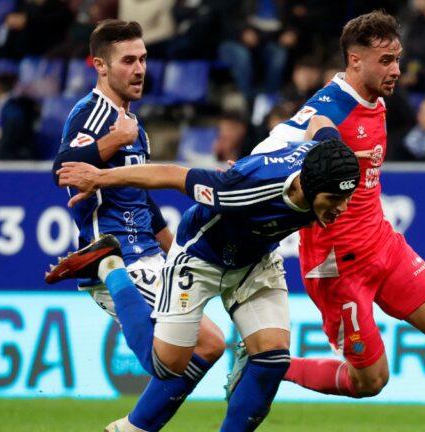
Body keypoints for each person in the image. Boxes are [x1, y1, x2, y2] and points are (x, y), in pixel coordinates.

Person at [245, 11, 425, 431]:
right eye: (386, 60)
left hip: (383, 244)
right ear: (355, 61)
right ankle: (269, 366)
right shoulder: (327, 108)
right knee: (371, 381)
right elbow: (269, 151)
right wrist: (239, 175)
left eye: (397, 58)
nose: (396, 70)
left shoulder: (374, 99)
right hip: (337, 266)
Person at [50, 122, 361, 432]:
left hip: (254, 260)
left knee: (272, 360)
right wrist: (101, 177)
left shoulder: (329, 161)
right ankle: (110, 267)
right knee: (166, 366)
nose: (343, 208)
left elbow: (320, 123)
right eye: (334, 199)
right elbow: (172, 175)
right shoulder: (242, 188)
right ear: (307, 186)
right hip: (201, 259)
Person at [50, 20, 226, 432]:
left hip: (147, 253)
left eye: (143, 59)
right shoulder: (92, 113)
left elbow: (143, 199)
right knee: (184, 352)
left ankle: (131, 428)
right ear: (101, 66)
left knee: (210, 345)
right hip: (117, 253)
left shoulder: (134, 125)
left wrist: (175, 252)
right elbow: (62, 170)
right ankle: (103, 265)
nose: (140, 68)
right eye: (128, 60)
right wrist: (115, 139)